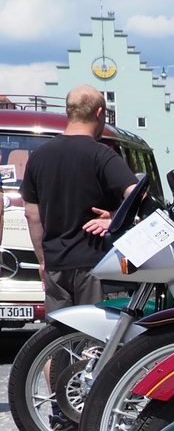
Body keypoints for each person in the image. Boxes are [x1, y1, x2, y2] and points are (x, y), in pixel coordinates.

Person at [21, 85, 129, 310]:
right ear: (99, 113)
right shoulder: (102, 155)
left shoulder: (38, 156)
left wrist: (43, 261)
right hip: (95, 264)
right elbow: (137, 194)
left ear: (68, 111)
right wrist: (115, 218)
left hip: (55, 266)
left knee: (60, 330)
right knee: (94, 328)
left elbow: (32, 214)